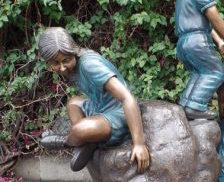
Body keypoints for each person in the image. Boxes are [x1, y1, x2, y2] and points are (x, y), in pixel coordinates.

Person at [38, 27, 150, 173]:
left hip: (118, 114)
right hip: (100, 107)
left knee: (80, 129)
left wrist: (139, 144)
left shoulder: (89, 65)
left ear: (73, 52)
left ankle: (66, 141)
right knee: (73, 103)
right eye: (55, 64)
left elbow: (127, 98)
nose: (62, 68)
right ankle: (89, 142)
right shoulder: (74, 68)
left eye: (66, 61)